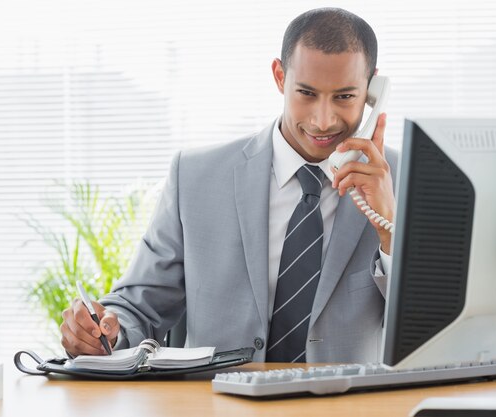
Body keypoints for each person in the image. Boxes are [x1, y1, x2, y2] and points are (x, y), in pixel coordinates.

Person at [60, 7, 397, 363]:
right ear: (280, 77)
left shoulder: (401, 180)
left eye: (344, 97)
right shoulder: (195, 177)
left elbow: (434, 332)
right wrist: (103, 331)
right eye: (306, 93)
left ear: (372, 91)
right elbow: (140, 307)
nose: (323, 120)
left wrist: (391, 233)